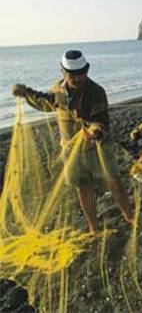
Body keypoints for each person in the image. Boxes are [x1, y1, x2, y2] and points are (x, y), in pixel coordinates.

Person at [12, 50, 133, 233]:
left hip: (96, 149)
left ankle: (130, 218)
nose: (78, 78)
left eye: (82, 74)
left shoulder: (97, 92)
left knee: (113, 182)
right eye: (73, 75)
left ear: (87, 70)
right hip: (71, 151)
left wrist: (96, 131)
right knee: (84, 188)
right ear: (62, 71)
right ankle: (94, 227)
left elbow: (102, 121)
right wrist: (26, 93)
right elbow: (46, 102)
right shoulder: (58, 89)